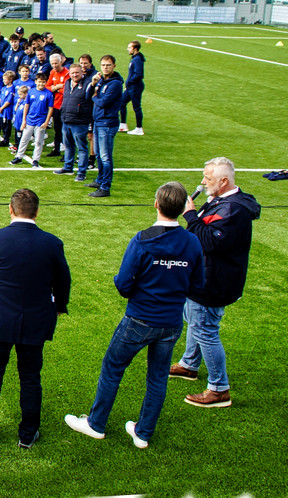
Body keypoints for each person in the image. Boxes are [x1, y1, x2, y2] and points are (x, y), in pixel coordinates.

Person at [66, 182, 204, 448]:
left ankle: (96, 423)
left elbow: (123, 284)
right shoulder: (192, 242)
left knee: (113, 367)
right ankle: (143, 432)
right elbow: (198, 285)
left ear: (157, 204)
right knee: (158, 377)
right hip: (171, 321)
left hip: (140, 318)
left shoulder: (143, 239)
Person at [0, 189, 71, 449]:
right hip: (35, 320)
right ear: (37, 212)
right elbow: (63, 281)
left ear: (10, 210)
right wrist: (59, 305)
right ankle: (27, 434)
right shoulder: (52, 243)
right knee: (30, 377)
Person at [170, 157, 261, 408]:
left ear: (223, 181)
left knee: (205, 329)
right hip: (205, 275)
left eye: (208, 179)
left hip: (214, 280)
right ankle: (189, 364)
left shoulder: (232, 210)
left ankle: (219, 389)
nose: (202, 182)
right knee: (195, 320)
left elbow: (210, 241)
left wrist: (190, 215)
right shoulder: (222, 202)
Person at [87, 54, 123, 198]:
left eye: (108, 65)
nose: (105, 67)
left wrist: (95, 95)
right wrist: (94, 84)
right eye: (103, 65)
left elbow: (103, 102)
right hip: (99, 121)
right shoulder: (102, 81)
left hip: (107, 123)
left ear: (114, 66)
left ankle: (105, 187)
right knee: (100, 156)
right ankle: (100, 180)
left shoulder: (115, 84)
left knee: (105, 156)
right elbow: (88, 96)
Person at [55, 64, 92, 181]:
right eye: (72, 73)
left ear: (82, 73)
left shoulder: (88, 83)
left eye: (77, 72)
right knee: (68, 145)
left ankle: (81, 172)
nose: (75, 75)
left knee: (81, 148)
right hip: (66, 119)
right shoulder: (67, 83)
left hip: (80, 121)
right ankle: (68, 167)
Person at [9, 73, 52, 168]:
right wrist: (24, 120)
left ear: (45, 82)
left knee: (38, 141)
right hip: (29, 120)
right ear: (36, 82)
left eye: (43, 82)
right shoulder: (31, 92)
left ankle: (36, 159)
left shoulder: (48, 94)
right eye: (39, 82)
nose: (41, 84)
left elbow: (50, 108)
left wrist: (46, 122)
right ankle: (18, 156)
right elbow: (26, 106)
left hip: (41, 121)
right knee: (24, 139)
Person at [44, 53, 69, 157]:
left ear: (61, 62)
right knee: (57, 127)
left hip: (65, 105)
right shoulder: (52, 72)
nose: (54, 65)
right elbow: (47, 86)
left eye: (56, 63)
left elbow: (67, 90)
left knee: (65, 128)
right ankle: (57, 148)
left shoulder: (67, 74)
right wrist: (55, 88)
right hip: (55, 104)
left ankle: (66, 150)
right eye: (52, 63)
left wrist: (56, 88)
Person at [120, 40, 145, 135]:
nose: (128, 49)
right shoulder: (135, 58)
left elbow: (139, 74)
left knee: (137, 107)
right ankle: (123, 125)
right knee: (121, 102)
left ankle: (139, 128)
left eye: (129, 47)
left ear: (135, 48)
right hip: (131, 86)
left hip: (135, 87)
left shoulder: (137, 59)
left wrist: (129, 82)